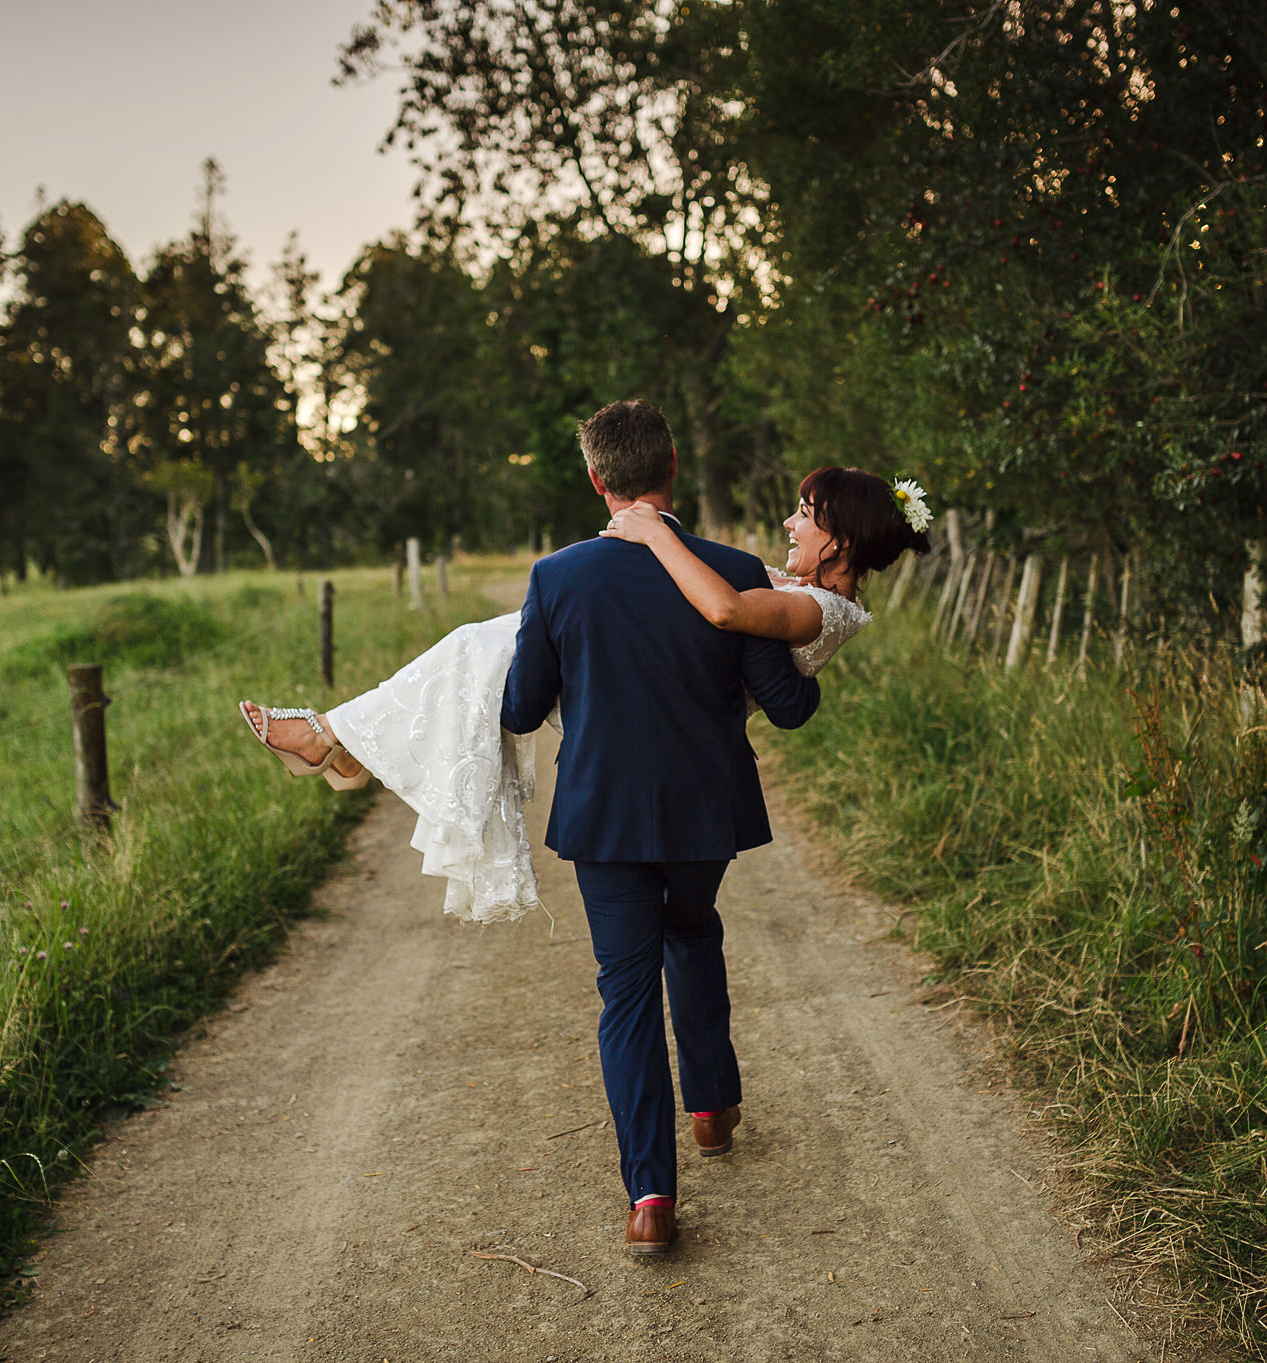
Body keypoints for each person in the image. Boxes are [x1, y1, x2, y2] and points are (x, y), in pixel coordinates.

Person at [239, 399, 931, 1255]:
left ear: (599, 482)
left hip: (606, 809)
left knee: (626, 988)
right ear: (673, 470)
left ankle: (650, 1194)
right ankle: (711, 1105)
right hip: (706, 807)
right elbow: (785, 698)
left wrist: (580, 669)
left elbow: (525, 706)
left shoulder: (560, 577)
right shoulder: (738, 567)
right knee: (693, 925)